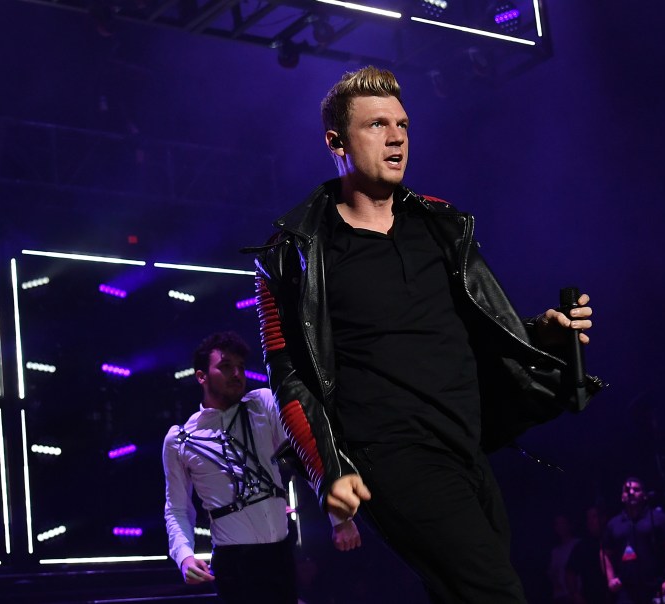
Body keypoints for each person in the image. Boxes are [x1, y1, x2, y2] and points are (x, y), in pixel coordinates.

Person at [251, 66, 604, 602]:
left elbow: (479, 326)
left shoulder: (440, 224)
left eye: (402, 124)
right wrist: (328, 471)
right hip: (390, 456)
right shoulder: (292, 252)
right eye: (376, 125)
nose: (396, 137)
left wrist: (540, 333)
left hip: (466, 445)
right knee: (496, 593)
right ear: (336, 142)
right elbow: (289, 376)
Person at [162, 331, 361, 603]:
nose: (237, 374)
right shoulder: (181, 438)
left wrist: (340, 518)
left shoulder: (262, 404)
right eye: (225, 366)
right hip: (234, 562)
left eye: (240, 367)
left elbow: (307, 454)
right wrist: (184, 556)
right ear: (201, 376)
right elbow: (177, 508)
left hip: (280, 553)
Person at [601, 477, 665, 604]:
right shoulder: (613, 524)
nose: (631, 492)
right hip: (626, 592)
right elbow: (604, 552)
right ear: (622, 496)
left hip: (657, 587)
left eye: (636, 489)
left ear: (644, 495)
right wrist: (610, 579)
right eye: (627, 490)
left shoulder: (658, 518)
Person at [565, 506, 609, 604]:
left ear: (603, 518)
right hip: (592, 598)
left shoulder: (613, 539)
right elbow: (570, 572)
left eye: (594, 517)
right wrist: (575, 595)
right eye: (588, 518)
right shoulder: (582, 547)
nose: (590, 521)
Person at [548, 514, 580, 604]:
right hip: (560, 595)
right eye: (557, 524)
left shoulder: (577, 545)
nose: (560, 527)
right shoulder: (555, 551)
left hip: (577, 595)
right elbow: (553, 572)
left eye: (562, 523)